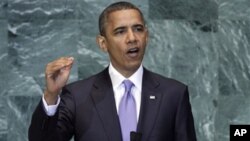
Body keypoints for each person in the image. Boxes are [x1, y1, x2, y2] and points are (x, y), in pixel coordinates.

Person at [29, 1, 197, 141]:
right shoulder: (78, 96)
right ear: (103, 43)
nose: (132, 38)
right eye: (120, 31)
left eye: (138, 29)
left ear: (147, 36)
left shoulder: (174, 94)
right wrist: (51, 95)